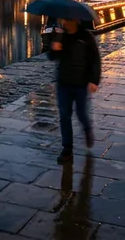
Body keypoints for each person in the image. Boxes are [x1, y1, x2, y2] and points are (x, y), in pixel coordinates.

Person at [48, 17, 100, 164]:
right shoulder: (60, 35)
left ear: (75, 20)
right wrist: (54, 49)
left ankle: (87, 129)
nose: (64, 22)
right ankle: (67, 149)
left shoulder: (86, 37)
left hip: (81, 83)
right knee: (64, 115)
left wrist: (94, 80)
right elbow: (52, 57)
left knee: (81, 113)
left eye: (67, 20)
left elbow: (95, 60)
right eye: (63, 20)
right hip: (64, 82)